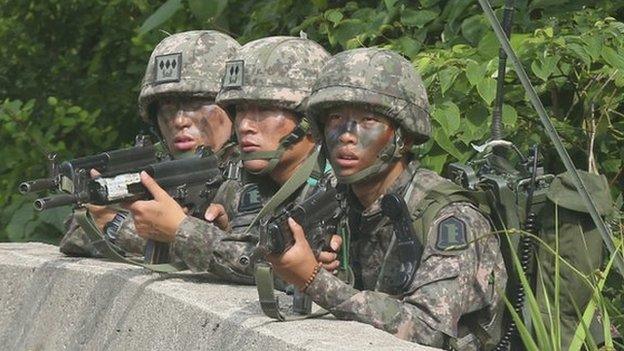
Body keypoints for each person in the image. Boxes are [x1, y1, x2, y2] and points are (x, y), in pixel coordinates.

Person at [268, 47, 508, 349]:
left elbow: (424, 330)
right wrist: (307, 266)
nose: (346, 135)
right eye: (336, 118)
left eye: (368, 120)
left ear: (403, 138)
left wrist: (316, 281)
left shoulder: (450, 218)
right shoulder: (337, 197)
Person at [123, 36, 337, 283]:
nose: (244, 125)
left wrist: (180, 230)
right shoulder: (247, 181)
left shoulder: (336, 189)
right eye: (240, 110)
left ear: (310, 120)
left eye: (265, 110)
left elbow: (284, 269)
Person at [59, 30, 240, 257]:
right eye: (167, 105)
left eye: (196, 103)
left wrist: (119, 227)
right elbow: (76, 234)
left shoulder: (253, 177)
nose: (179, 120)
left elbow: (253, 261)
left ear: (234, 107)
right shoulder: (158, 170)